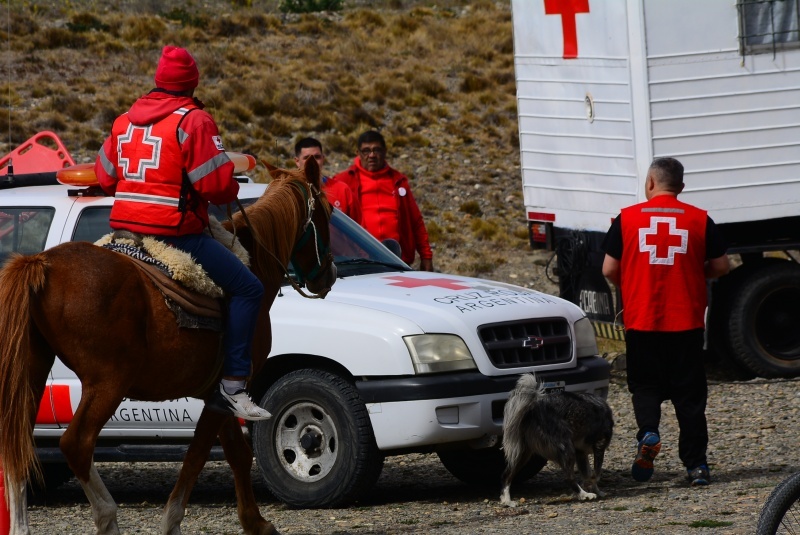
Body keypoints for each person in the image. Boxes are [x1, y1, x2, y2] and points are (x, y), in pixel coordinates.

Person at [94, 45, 271, 421]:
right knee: (249, 288)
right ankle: (234, 385)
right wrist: (229, 183)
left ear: (158, 80)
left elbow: (105, 176)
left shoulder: (123, 120)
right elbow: (217, 188)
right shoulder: (195, 121)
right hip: (176, 234)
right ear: (192, 83)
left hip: (125, 231)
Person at [601, 157, 730, 486]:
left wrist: (633, 282)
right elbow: (722, 265)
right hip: (685, 322)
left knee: (645, 387)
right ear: (681, 187)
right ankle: (697, 466)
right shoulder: (700, 220)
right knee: (690, 397)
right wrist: (693, 274)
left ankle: (648, 433)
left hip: (642, 320)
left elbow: (609, 270)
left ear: (649, 183)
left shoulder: (626, 219)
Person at [333, 130, 434, 271]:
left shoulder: (399, 181)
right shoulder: (343, 181)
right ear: (358, 152)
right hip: (359, 263)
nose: (372, 155)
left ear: (385, 151)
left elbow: (416, 221)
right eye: (366, 151)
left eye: (376, 150)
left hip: (398, 261)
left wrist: (426, 256)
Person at [294, 137, 361, 223]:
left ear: (323, 159)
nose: (312, 162)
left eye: (317, 157)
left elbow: (358, 227)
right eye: (307, 158)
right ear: (297, 161)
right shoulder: (290, 191)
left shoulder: (342, 190)